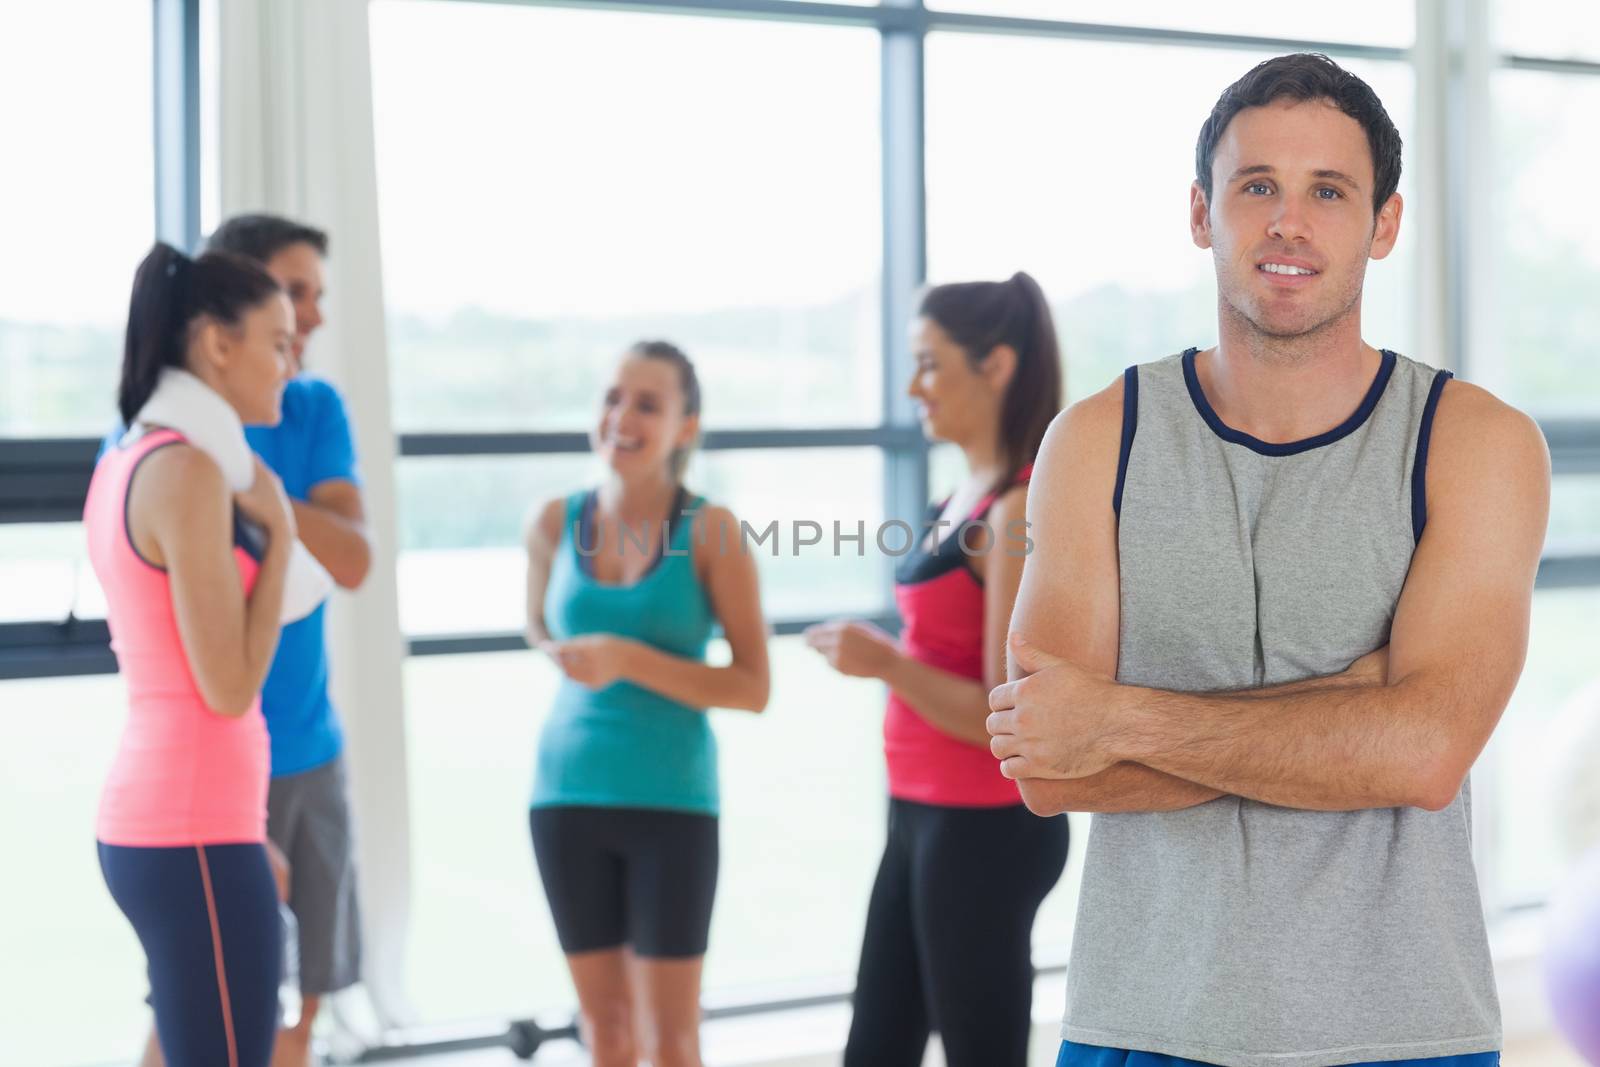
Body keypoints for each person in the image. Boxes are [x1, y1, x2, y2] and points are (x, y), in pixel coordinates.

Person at [987, 53, 1548, 1067]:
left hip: (1402, 1030)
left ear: (1383, 224)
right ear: (1202, 212)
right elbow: (1047, 764)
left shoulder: (1475, 441)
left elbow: (1423, 757)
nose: (1288, 223)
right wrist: (1354, 710)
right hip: (1138, 1022)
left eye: (1327, 191)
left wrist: (1119, 715)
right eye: (1257, 188)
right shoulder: (1096, 438)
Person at [805, 273, 1068, 1067]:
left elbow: (1004, 716)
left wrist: (885, 662)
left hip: (982, 825)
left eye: (928, 362)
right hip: (921, 812)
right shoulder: (960, 497)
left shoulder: (1018, 510)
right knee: (874, 1048)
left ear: (995, 366)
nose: (913, 385)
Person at [137, 214, 372, 1067]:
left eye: (312, 299)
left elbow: (351, 555)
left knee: (291, 1021)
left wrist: (258, 486)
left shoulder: (306, 410)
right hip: (210, 773)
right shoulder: (165, 447)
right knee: (191, 1021)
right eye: (291, 298)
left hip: (304, 751)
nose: (308, 318)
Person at [523, 340, 771, 1067]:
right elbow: (537, 624)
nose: (621, 416)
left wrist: (626, 657)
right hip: (564, 796)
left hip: (673, 804)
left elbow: (753, 686)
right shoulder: (549, 522)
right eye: (612, 397)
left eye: (648, 404)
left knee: (671, 1040)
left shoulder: (713, 530)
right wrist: (557, 648)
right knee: (605, 1032)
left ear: (686, 426)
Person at [88, 242, 295, 1067]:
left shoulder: (130, 457)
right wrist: (278, 536)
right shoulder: (188, 471)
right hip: (191, 830)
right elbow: (228, 686)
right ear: (216, 343)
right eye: (277, 342)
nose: (289, 363)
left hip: (182, 823)